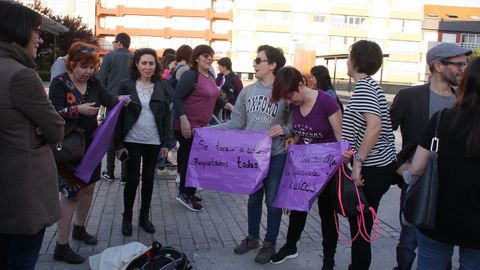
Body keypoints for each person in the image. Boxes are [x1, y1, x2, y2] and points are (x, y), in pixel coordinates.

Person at [390, 43, 472, 270]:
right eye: (458, 65)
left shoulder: (463, 102)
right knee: (409, 239)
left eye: (464, 65)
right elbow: (384, 134)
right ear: (438, 65)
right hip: (417, 182)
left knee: (439, 246)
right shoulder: (409, 96)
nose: (462, 70)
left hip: (451, 188)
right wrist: (398, 166)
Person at [0, 3, 65, 269]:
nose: (40, 38)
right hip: (24, 190)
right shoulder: (22, 76)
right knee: (21, 259)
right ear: (18, 31)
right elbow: (55, 127)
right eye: (36, 31)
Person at [212, 45, 290, 264]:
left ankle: (269, 244)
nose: (254, 64)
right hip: (252, 157)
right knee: (253, 199)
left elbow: (295, 122)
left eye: (259, 60)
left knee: (273, 201)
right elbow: (236, 122)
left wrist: (287, 130)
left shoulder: (285, 91)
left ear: (272, 64)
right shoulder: (247, 91)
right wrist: (207, 132)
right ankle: (252, 238)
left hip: (276, 155)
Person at [49, 41, 120, 264]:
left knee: (88, 189)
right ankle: (61, 245)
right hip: (69, 149)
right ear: (71, 64)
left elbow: (111, 100)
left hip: (92, 146)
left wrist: (124, 100)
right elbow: (51, 112)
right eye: (83, 67)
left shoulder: (94, 84)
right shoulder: (60, 83)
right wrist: (76, 110)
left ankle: (79, 229)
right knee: (71, 195)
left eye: (92, 67)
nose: (88, 71)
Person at [269, 67, 342, 269]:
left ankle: (329, 259)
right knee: (297, 209)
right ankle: (290, 246)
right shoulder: (295, 104)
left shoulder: (327, 102)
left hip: (327, 170)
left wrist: (347, 162)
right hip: (303, 167)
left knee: (328, 215)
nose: (290, 102)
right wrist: (294, 139)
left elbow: (340, 138)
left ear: (301, 85)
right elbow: (303, 130)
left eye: (291, 96)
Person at [341, 40, 397, 270]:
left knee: (361, 227)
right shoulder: (370, 86)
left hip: (371, 169)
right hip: (377, 167)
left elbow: (374, 126)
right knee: (362, 225)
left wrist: (357, 165)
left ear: (355, 60)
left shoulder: (364, 87)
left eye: (349, 56)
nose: (347, 60)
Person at [114, 48, 173, 236]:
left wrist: (166, 144)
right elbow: (117, 117)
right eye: (144, 63)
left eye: (151, 63)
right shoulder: (126, 85)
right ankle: (127, 217)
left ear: (156, 65)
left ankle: (144, 216)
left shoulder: (162, 86)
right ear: (137, 65)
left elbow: (167, 117)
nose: (148, 67)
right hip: (131, 140)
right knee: (131, 180)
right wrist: (118, 144)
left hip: (154, 141)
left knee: (148, 180)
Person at [172, 44, 233, 212]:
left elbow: (215, 97)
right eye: (205, 55)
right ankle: (185, 194)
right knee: (190, 160)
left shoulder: (208, 76)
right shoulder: (190, 75)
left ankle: (188, 192)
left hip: (201, 127)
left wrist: (230, 106)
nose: (209, 58)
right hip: (186, 126)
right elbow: (177, 97)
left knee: (193, 159)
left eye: (211, 55)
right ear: (197, 57)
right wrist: (183, 119)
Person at [98, 32, 132, 182]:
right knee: (127, 136)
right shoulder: (134, 58)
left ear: (119, 43)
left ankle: (110, 172)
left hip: (113, 101)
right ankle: (126, 175)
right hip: (131, 102)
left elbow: (100, 80)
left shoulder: (110, 57)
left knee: (112, 135)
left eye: (114, 42)